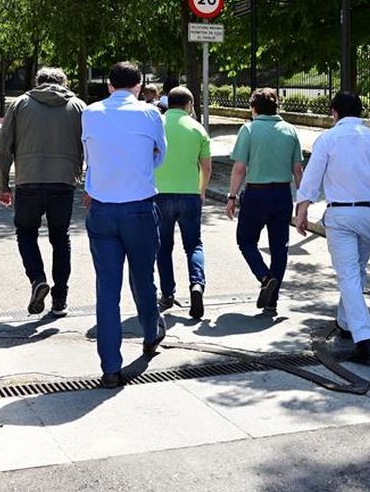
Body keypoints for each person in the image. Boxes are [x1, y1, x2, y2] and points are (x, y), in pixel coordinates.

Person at [294, 92, 370, 364]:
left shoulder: (328, 139)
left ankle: (364, 337)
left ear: (334, 112)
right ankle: (345, 322)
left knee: (348, 275)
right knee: (356, 271)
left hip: (341, 214)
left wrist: (302, 209)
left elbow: (312, 177)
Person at [82, 61, 167, 388]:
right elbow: (160, 156)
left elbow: (88, 154)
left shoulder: (90, 113)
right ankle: (150, 332)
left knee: (107, 288)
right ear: (139, 84)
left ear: (108, 86)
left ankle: (110, 367)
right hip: (139, 208)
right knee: (143, 277)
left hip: (102, 209)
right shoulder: (150, 114)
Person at [0, 67, 85, 318]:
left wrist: (2, 185)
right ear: (64, 83)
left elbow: (4, 147)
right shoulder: (78, 106)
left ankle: (37, 279)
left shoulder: (21, 103)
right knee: (60, 238)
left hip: (28, 181)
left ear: (38, 82)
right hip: (64, 182)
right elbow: (90, 145)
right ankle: (60, 299)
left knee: (26, 233)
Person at [225, 88, 304, 311]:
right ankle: (273, 298)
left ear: (254, 108)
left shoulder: (248, 129)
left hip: (256, 194)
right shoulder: (290, 130)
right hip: (282, 194)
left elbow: (239, 168)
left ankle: (264, 276)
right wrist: (303, 202)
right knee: (280, 247)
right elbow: (297, 170)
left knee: (246, 240)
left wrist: (232, 196)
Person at [154, 86, 212, 319]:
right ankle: (197, 284)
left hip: (160, 194)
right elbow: (206, 167)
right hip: (189, 194)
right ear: (189, 105)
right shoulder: (197, 128)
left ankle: (167, 293)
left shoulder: (157, 125)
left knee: (163, 246)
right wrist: (202, 190)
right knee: (193, 245)